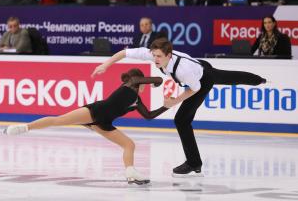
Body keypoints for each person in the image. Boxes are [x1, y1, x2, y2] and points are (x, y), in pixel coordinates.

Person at [92, 38, 267, 177]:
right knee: (226, 76)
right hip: (199, 66)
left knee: (182, 119)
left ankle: (193, 162)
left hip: (201, 80)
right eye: (154, 56)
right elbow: (125, 52)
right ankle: (259, 80)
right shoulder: (153, 55)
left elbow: (195, 88)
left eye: (159, 57)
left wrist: (174, 102)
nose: (155, 59)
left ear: (169, 55)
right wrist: (106, 65)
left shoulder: (183, 70)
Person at [4, 68, 167, 184]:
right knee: (58, 120)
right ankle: (23, 128)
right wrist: (154, 82)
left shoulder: (137, 101)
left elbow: (149, 116)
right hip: (95, 111)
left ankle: (130, 172)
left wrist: (166, 106)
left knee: (129, 145)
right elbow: (158, 80)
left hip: (103, 123)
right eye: (143, 82)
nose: (145, 85)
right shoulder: (130, 84)